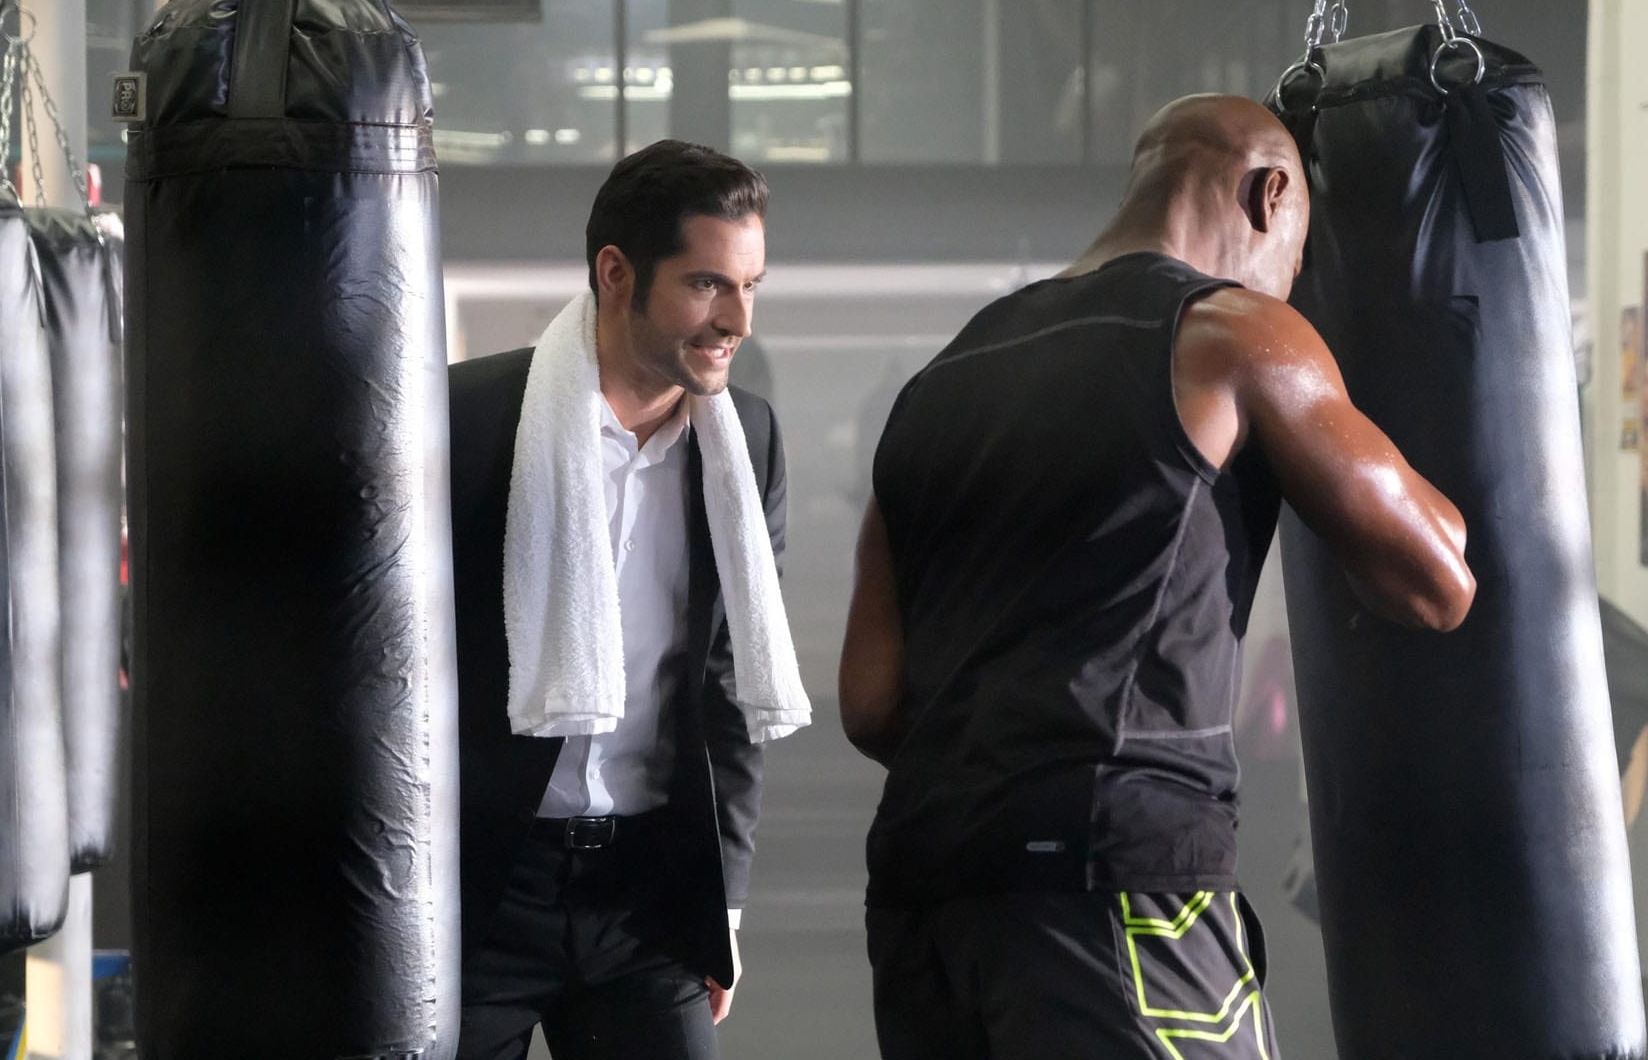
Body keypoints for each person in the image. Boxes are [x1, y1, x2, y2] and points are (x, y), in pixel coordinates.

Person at [838, 94, 1476, 1059]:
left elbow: (872, 703)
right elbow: (1438, 580)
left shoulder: (940, 379)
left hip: (925, 893)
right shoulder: (1235, 334)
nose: (1291, 281)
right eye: (1299, 255)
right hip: (1116, 874)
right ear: (1270, 197)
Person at [449, 140, 802, 1060]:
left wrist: (724, 903)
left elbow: (729, 682)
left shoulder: (748, 439)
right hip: (481, 885)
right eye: (707, 284)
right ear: (616, 274)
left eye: (749, 286)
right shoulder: (465, 420)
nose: (736, 320)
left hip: (648, 898)